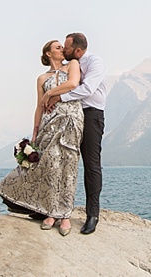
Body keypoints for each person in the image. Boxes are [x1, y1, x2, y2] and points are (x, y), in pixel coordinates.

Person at [0, 39, 84, 236]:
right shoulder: (42, 78)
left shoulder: (73, 65)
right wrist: (34, 131)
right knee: (49, 166)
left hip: (70, 119)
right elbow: (39, 106)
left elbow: (72, 84)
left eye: (63, 47)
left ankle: (65, 215)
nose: (63, 49)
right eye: (58, 47)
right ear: (49, 53)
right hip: (49, 124)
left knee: (68, 167)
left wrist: (49, 93)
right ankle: (50, 212)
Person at [45, 32, 107, 234]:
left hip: (90, 115)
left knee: (91, 164)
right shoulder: (68, 66)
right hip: (70, 115)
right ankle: (52, 209)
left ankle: (92, 215)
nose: (64, 49)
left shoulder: (94, 62)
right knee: (60, 161)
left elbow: (88, 89)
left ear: (78, 50)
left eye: (67, 47)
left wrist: (59, 97)